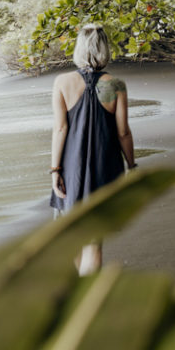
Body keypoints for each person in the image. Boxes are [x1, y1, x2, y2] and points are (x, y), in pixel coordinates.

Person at [49, 24, 136, 274]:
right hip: (105, 166)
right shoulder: (116, 85)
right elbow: (123, 132)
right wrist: (131, 165)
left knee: (71, 234)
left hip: (71, 167)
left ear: (79, 48)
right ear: (104, 50)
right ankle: (87, 290)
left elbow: (60, 129)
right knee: (94, 238)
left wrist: (55, 170)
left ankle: (81, 288)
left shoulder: (62, 82)